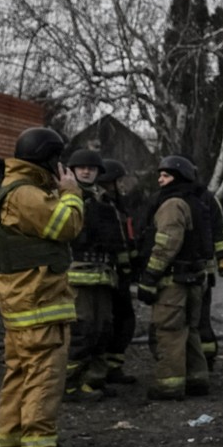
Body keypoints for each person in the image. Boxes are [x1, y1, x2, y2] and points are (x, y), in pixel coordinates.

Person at [0, 126, 84, 447]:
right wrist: (72, 194)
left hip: (23, 303)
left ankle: (10, 438)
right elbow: (67, 225)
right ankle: (39, 446)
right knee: (45, 372)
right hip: (38, 303)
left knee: (19, 370)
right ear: (46, 158)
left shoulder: (12, 190)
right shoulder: (26, 194)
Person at [137, 155, 211, 400]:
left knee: (169, 332)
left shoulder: (172, 204)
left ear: (178, 178)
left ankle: (169, 385)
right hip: (192, 281)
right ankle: (197, 378)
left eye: (166, 175)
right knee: (189, 331)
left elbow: (166, 244)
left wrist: (149, 277)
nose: (160, 179)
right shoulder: (196, 202)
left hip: (172, 283)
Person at [62, 148, 125, 401]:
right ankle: (69, 385)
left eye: (92, 168)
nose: (86, 171)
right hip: (77, 275)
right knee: (82, 329)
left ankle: (93, 381)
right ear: (73, 170)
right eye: (81, 167)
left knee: (103, 329)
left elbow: (117, 238)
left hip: (104, 275)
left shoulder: (104, 200)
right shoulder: (65, 196)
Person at [96, 159, 139, 386]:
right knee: (108, 323)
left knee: (125, 322)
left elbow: (127, 238)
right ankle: (101, 370)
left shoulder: (119, 204)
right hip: (107, 273)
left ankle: (114, 367)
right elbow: (112, 240)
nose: (121, 185)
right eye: (117, 181)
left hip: (121, 273)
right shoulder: (101, 204)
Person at [195, 180, 223, 370]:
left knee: (201, 316)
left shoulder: (207, 199)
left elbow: (220, 230)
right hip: (193, 269)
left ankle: (206, 358)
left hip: (203, 270)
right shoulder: (168, 197)